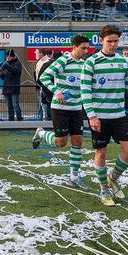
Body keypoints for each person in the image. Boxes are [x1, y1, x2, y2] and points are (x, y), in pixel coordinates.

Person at [81, 24, 128, 207]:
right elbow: (85, 91)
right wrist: (91, 116)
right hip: (99, 117)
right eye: (110, 41)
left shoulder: (125, 63)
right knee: (101, 153)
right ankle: (103, 189)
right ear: (101, 41)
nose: (113, 45)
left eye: (116, 41)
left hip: (119, 116)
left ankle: (112, 178)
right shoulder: (91, 62)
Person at [33, 35, 91, 186]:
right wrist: (56, 92)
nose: (85, 51)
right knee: (61, 143)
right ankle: (40, 133)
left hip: (77, 108)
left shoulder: (85, 64)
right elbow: (44, 77)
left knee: (78, 141)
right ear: (74, 47)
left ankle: (73, 176)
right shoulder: (63, 61)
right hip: (61, 109)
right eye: (82, 48)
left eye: (87, 48)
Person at [0, 49, 23, 121]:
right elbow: (4, 77)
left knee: (15, 104)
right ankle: (11, 118)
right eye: (6, 56)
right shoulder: (6, 64)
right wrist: (1, 72)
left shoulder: (17, 63)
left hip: (14, 87)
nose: (7, 58)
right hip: (7, 87)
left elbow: (15, 71)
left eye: (9, 56)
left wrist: (6, 66)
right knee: (9, 105)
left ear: (13, 56)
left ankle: (19, 118)